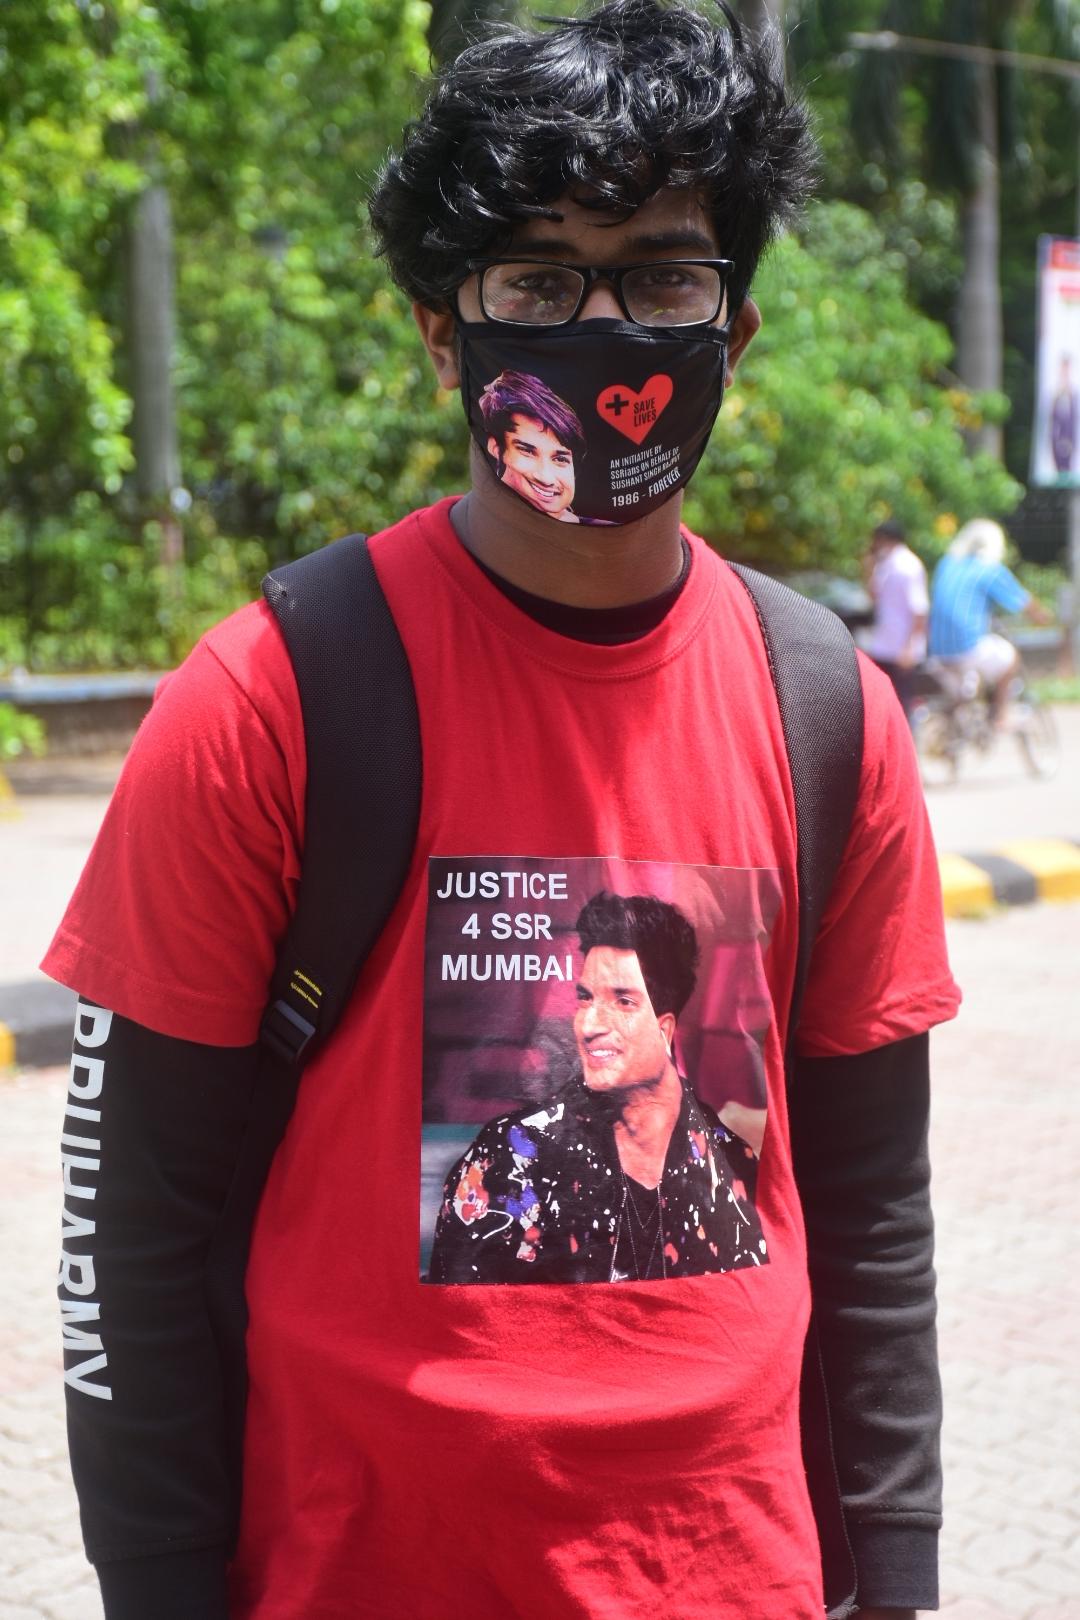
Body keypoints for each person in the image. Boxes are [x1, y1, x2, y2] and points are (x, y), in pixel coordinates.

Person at [45, 4, 959, 1617]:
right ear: (440, 330)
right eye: (538, 280)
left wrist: (895, 1580)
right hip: (360, 1573)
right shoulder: (275, 694)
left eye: (664, 275)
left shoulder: (829, 710)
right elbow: (135, 1238)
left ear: (734, 329)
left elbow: (876, 1222)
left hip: (729, 1571)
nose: (605, 329)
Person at [428, 890, 765, 1284]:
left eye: (623, 1001)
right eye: (585, 998)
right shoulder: (511, 1159)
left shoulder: (731, 1164)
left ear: (665, 1028)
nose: (589, 1026)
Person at [929, 517, 1051, 729]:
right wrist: (1040, 617)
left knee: (963, 691)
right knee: (1011, 659)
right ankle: (1000, 716)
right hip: (966, 646)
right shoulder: (988, 568)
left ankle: (959, 722)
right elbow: (1021, 600)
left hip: (936, 648)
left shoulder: (947, 563)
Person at [479, 369, 587, 522]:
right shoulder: (476, 531)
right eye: (527, 451)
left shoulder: (612, 536)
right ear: (496, 449)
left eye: (560, 459)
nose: (546, 478)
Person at [863, 519, 929, 720]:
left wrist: (910, 646)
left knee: (902, 703)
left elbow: (920, 609)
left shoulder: (908, 566)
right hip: (884, 645)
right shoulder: (886, 565)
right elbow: (875, 597)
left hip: (901, 648)